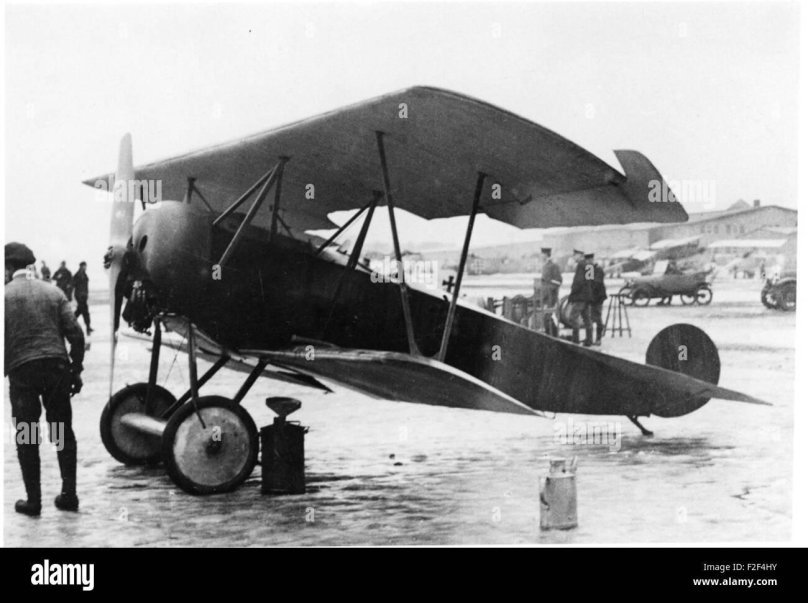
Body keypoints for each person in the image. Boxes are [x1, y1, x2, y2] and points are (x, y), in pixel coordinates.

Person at [5, 243, 85, 516]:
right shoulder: (53, 292)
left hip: (22, 374)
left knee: (27, 435)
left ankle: (33, 501)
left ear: (8, 267)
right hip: (56, 370)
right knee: (61, 430)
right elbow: (76, 335)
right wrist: (76, 369)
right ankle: (69, 495)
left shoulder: (4, 296)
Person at [568, 249, 593, 346]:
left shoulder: (580, 265)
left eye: (575, 255)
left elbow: (578, 282)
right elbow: (591, 281)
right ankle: (589, 340)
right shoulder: (589, 265)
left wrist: (572, 294)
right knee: (587, 318)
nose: (574, 257)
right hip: (587, 296)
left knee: (573, 317)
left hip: (580, 297)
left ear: (579, 255)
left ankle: (575, 340)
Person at [539, 247, 562, 335]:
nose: (541, 256)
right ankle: (552, 335)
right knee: (545, 317)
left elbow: (558, 281)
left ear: (546, 255)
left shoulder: (553, 266)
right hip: (544, 296)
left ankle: (553, 335)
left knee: (547, 317)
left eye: (542, 254)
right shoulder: (544, 265)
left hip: (551, 297)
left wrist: (549, 283)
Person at [587, 253, 607, 346]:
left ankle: (598, 339)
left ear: (592, 260)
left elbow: (597, 284)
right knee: (591, 317)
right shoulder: (589, 269)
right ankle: (591, 338)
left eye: (589, 261)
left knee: (597, 317)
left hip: (598, 297)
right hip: (591, 297)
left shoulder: (598, 269)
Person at [71, 261, 93, 334]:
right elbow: (73, 285)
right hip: (80, 296)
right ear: (81, 266)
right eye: (84, 266)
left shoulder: (84, 274)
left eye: (85, 266)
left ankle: (70, 322)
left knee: (80, 311)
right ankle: (88, 327)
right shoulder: (78, 275)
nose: (85, 267)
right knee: (84, 311)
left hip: (83, 296)